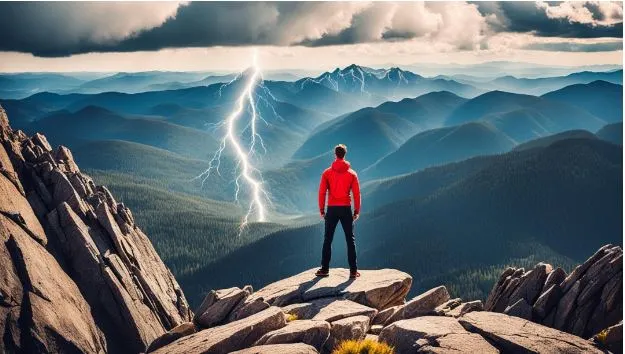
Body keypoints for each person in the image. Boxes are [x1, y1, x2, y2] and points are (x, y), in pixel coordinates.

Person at [316, 144, 361, 279]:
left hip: (332, 209)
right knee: (350, 239)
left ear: (335, 155)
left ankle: (324, 269)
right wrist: (356, 210)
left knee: (328, 239)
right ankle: (353, 271)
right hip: (346, 209)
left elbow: (322, 192)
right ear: (344, 155)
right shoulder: (352, 174)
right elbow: (357, 194)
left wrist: (322, 209)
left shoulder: (327, 173)